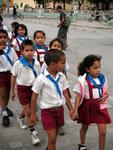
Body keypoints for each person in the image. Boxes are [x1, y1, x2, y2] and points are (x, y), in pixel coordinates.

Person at [30, 49, 73, 150]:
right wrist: (32, 113)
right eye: (62, 63)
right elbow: (34, 96)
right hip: (47, 112)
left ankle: (50, 146)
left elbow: (65, 93)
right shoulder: (41, 78)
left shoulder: (61, 76)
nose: (64, 65)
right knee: (52, 138)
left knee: (55, 135)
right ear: (53, 64)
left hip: (59, 110)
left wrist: (71, 109)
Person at [70, 55, 111, 150]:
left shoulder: (102, 78)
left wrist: (105, 96)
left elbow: (106, 91)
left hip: (100, 107)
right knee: (85, 127)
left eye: (99, 67)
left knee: (103, 132)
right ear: (87, 69)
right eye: (95, 68)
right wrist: (75, 110)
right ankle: (82, 145)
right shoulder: (83, 81)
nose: (98, 70)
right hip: (87, 106)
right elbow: (78, 96)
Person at [10, 39, 40, 145]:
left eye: (32, 50)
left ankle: (20, 117)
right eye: (27, 50)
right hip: (22, 89)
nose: (30, 52)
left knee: (29, 108)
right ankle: (33, 133)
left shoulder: (36, 63)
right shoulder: (18, 63)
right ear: (22, 51)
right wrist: (12, 91)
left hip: (33, 89)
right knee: (29, 111)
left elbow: (39, 77)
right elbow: (13, 77)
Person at [0, 29, 18, 127]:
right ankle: (4, 115)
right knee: (2, 94)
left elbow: (16, 61)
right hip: (1, 75)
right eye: (0, 37)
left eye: (4, 37)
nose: (2, 39)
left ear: (7, 38)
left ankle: (5, 107)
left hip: (10, 74)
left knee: (7, 94)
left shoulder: (11, 49)